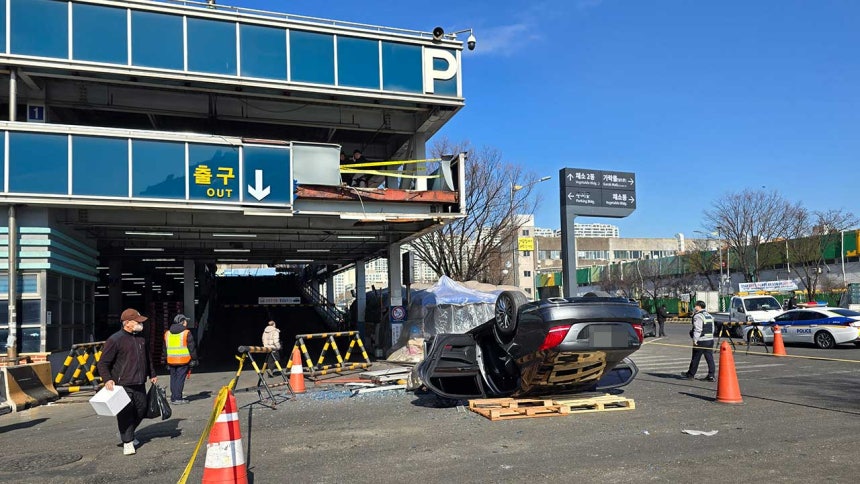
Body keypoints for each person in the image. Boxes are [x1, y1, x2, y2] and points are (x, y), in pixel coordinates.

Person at [97, 308, 158, 456]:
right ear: (127, 323)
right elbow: (103, 363)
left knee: (142, 409)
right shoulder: (115, 340)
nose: (140, 324)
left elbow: (147, 359)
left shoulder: (141, 339)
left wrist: (152, 374)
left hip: (139, 382)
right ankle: (128, 441)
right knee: (125, 413)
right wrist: (108, 379)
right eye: (137, 322)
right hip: (122, 384)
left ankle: (127, 432)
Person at [164, 313, 198, 405]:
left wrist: (165, 360)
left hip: (171, 360)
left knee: (173, 379)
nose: (186, 322)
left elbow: (165, 348)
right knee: (180, 379)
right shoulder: (186, 333)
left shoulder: (167, 333)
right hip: (183, 360)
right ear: (182, 322)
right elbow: (191, 347)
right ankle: (178, 398)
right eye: (185, 321)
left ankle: (174, 397)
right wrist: (194, 359)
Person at [680, 300, 716, 382]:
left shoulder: (698, 316)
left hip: (701, 340)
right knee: (709, 358)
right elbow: (713, 328)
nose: (694, 307)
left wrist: (695, 340)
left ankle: (691, 374)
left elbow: (698, 329)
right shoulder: (709, 315)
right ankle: (711, 375)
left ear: (699, 306)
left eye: (695, 306)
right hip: (710, 339)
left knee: (695, 358)